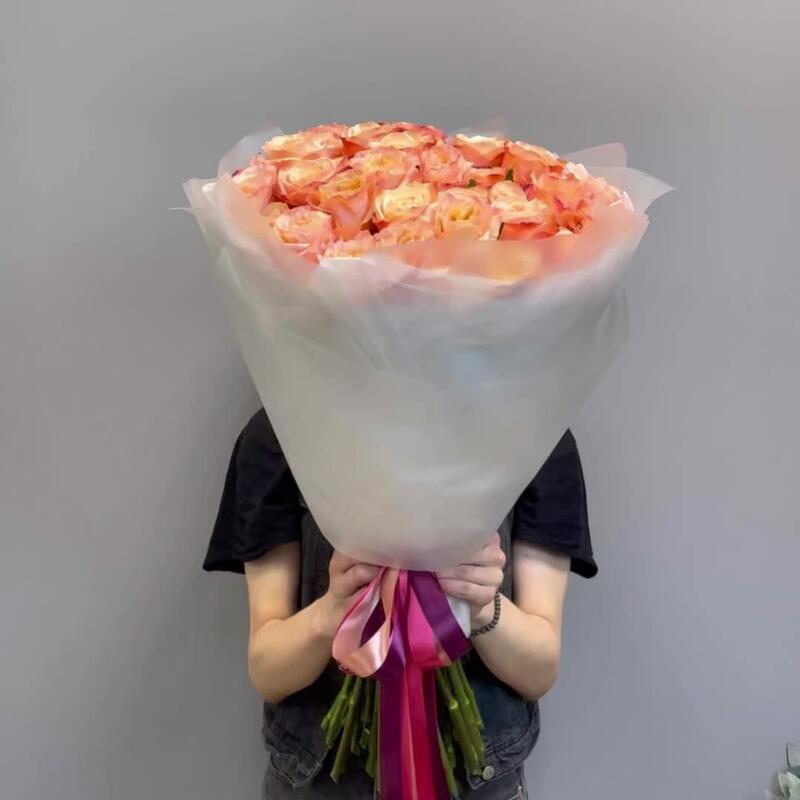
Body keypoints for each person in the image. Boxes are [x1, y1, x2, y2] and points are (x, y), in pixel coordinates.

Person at [204, 409, 597, 799]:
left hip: (481, 783)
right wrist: (334, 611)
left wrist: (479, 607)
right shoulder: (285, 424)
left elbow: (537, 673)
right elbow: (269, 673)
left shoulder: (533, 429)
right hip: (318, 782)